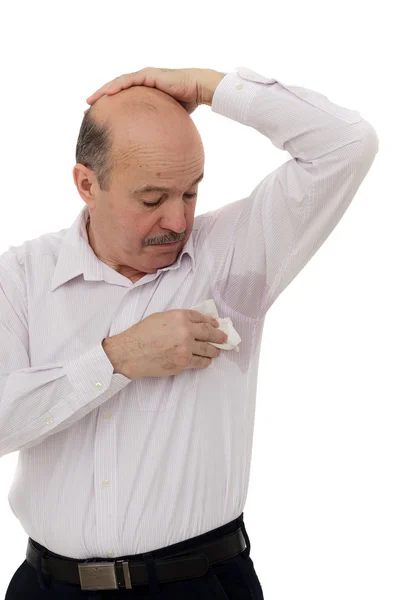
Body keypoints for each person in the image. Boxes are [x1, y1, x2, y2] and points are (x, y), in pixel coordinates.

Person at [1, 66, 378, 599]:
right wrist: (117, 358)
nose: (178, 221)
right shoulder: (18, 278)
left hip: (201, 585)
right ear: (87, 184)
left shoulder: (234, 256)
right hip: (47, 587)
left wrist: (208, 87)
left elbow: (347, 143)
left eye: (191, 192)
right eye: (152, 199)